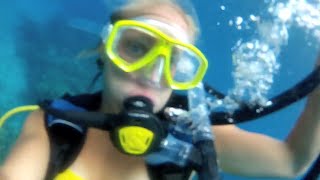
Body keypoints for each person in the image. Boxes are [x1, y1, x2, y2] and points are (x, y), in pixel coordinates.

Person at [0, 0, 319, 179]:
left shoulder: (195, 135)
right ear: (106, 49)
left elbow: (291, 162)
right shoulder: (54, 127)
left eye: (176, 62)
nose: (153, 74)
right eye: (137, 47)